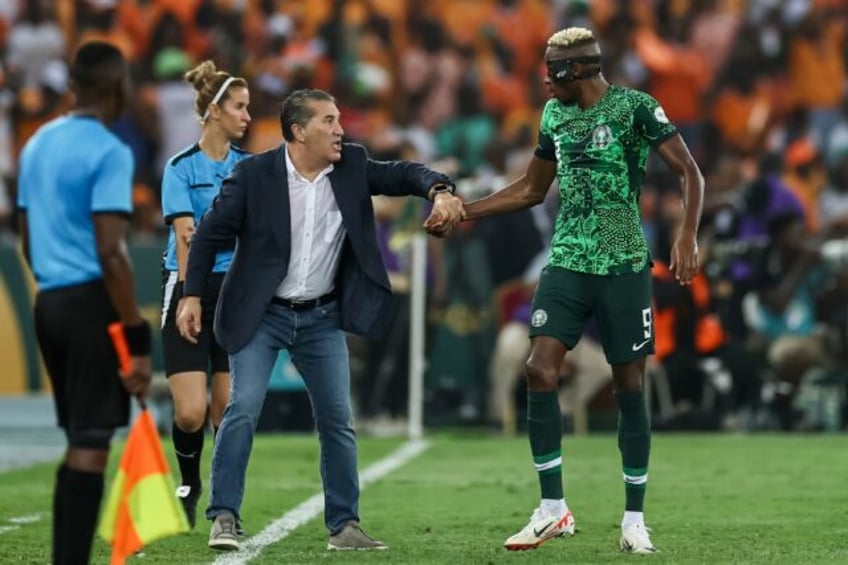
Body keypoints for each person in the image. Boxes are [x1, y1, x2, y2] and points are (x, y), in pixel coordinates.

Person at [427, 27, 704, 554]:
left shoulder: (636, 108)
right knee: (538, 368)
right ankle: (553, 508)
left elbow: (690, 172)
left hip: (623, 261)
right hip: (568, 259)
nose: (544, 81)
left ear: (578, 71)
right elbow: (532, 189)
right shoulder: (554, 115)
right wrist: (467, 210)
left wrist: (686, 232)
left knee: (629, 386)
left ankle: (633, 518)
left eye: (552, 71)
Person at [176, 88, 464, 551]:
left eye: (338, 119)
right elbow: (208, 236)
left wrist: (441, 190)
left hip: (322, 316)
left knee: (337, 419)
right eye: (328, 121)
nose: (339, 129)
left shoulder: (351, 166)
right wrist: (192, 296)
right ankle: (224, 516)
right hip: (261, 314)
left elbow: (405, 173)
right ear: (298, 131)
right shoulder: (253, 175)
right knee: (243, 407)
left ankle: (344, 526)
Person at [16, 41, 152, 565]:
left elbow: (27, 241)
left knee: (80, 439)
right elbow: (111, 251)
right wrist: (134, 338)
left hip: (49, 301)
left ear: (73, 84)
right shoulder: (110, 150)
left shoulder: (36, 144)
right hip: (90, 306)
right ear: (119, 87)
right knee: (92, 446)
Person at [159, 60, 251, 528]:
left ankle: (224, 508)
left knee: (226, 413)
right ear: (214, 112)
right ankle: (189, 481)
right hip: (188, 287)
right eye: (239, 107)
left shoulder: (249, 169)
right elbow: (186, 237)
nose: (247, 116)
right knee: (191, 413)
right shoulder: (179, 169)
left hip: (233, 292)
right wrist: (189, 297)